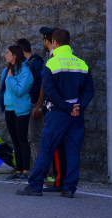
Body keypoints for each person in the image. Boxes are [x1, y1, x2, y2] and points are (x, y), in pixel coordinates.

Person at [17, 28, 94, 198]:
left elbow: (50, 90)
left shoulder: (51, 63)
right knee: (73, 150)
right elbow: (89, 90)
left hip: (58, 113)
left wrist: (66, 107)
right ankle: (69, 188)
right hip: (76, 114)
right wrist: (78, 107)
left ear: (55, 43)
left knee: (46, 148)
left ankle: (35, 186)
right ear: (70, 43)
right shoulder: (82, 63)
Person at [33, 27, 68, 193]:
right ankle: (60, 179)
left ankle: (54, 180)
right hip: (67, 107)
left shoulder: (52, 60)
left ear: (49, 41)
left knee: (52, 146)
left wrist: (39, 105)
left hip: (54, 108)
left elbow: (45, 87)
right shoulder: (70, 59)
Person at [0, 44, 33, 180]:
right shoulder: (6, 70)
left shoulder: (25, 71)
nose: (5, 55)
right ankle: (18, 170)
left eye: (8, 53)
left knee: (22, 139)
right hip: (9, 109)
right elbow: (3, 90)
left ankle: (26, 170)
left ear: (14, 55)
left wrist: (11, 78)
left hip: (21, 110)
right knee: (15, 140)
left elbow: (20, 90)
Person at [16, 37, 45, 170]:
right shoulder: (27, 63)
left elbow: (41, 86)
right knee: (30, 137)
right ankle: (38, 168)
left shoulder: (35, 63)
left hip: (34, 103)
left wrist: (38, 106)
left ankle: (42, 169)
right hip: (28, 103)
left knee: (34, 137)